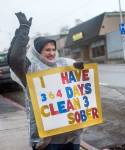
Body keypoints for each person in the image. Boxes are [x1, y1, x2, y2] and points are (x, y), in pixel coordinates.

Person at [8, 12, 84, 150]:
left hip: (72, 134)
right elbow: (14, 59)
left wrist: (80, 69)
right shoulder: (31, 70)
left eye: (54, 49)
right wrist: (23, 30)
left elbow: (79, 76)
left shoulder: (63, 64)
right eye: (47, 50)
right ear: (38, 52)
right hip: (48, 140)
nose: (52, 53)